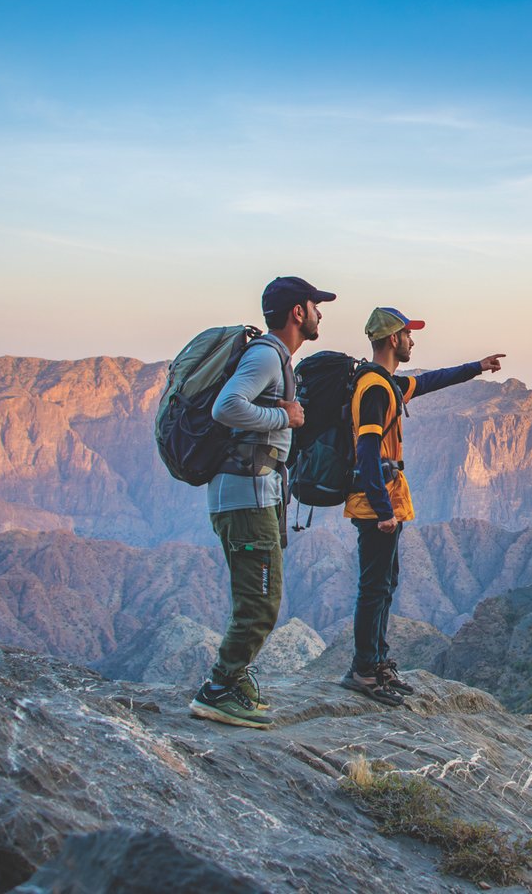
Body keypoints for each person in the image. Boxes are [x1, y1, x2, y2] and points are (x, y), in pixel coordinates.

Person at [189, 275, 335, 729]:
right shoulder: (267, 356)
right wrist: (284, 415)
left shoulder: (276, 358)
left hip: (254, 492)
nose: (320, 314)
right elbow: (226, 407)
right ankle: (218, 688)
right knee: (262, 603)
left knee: (255, 596)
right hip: (246, 494)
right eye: (315, 306)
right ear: (298, 312)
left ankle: (234, 682)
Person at [341, 306, 505, 705]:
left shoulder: (387, 383)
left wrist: (476, 367)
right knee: (373, 587)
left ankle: (377, 663)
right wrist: (382, 512)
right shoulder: (376, 389)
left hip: (387, 502)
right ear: (393, 339)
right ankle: (363, 671)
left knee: (385, 584)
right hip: (375, 503)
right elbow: (365, 451)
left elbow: (430, 380)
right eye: (408, 335)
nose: (413, 341)